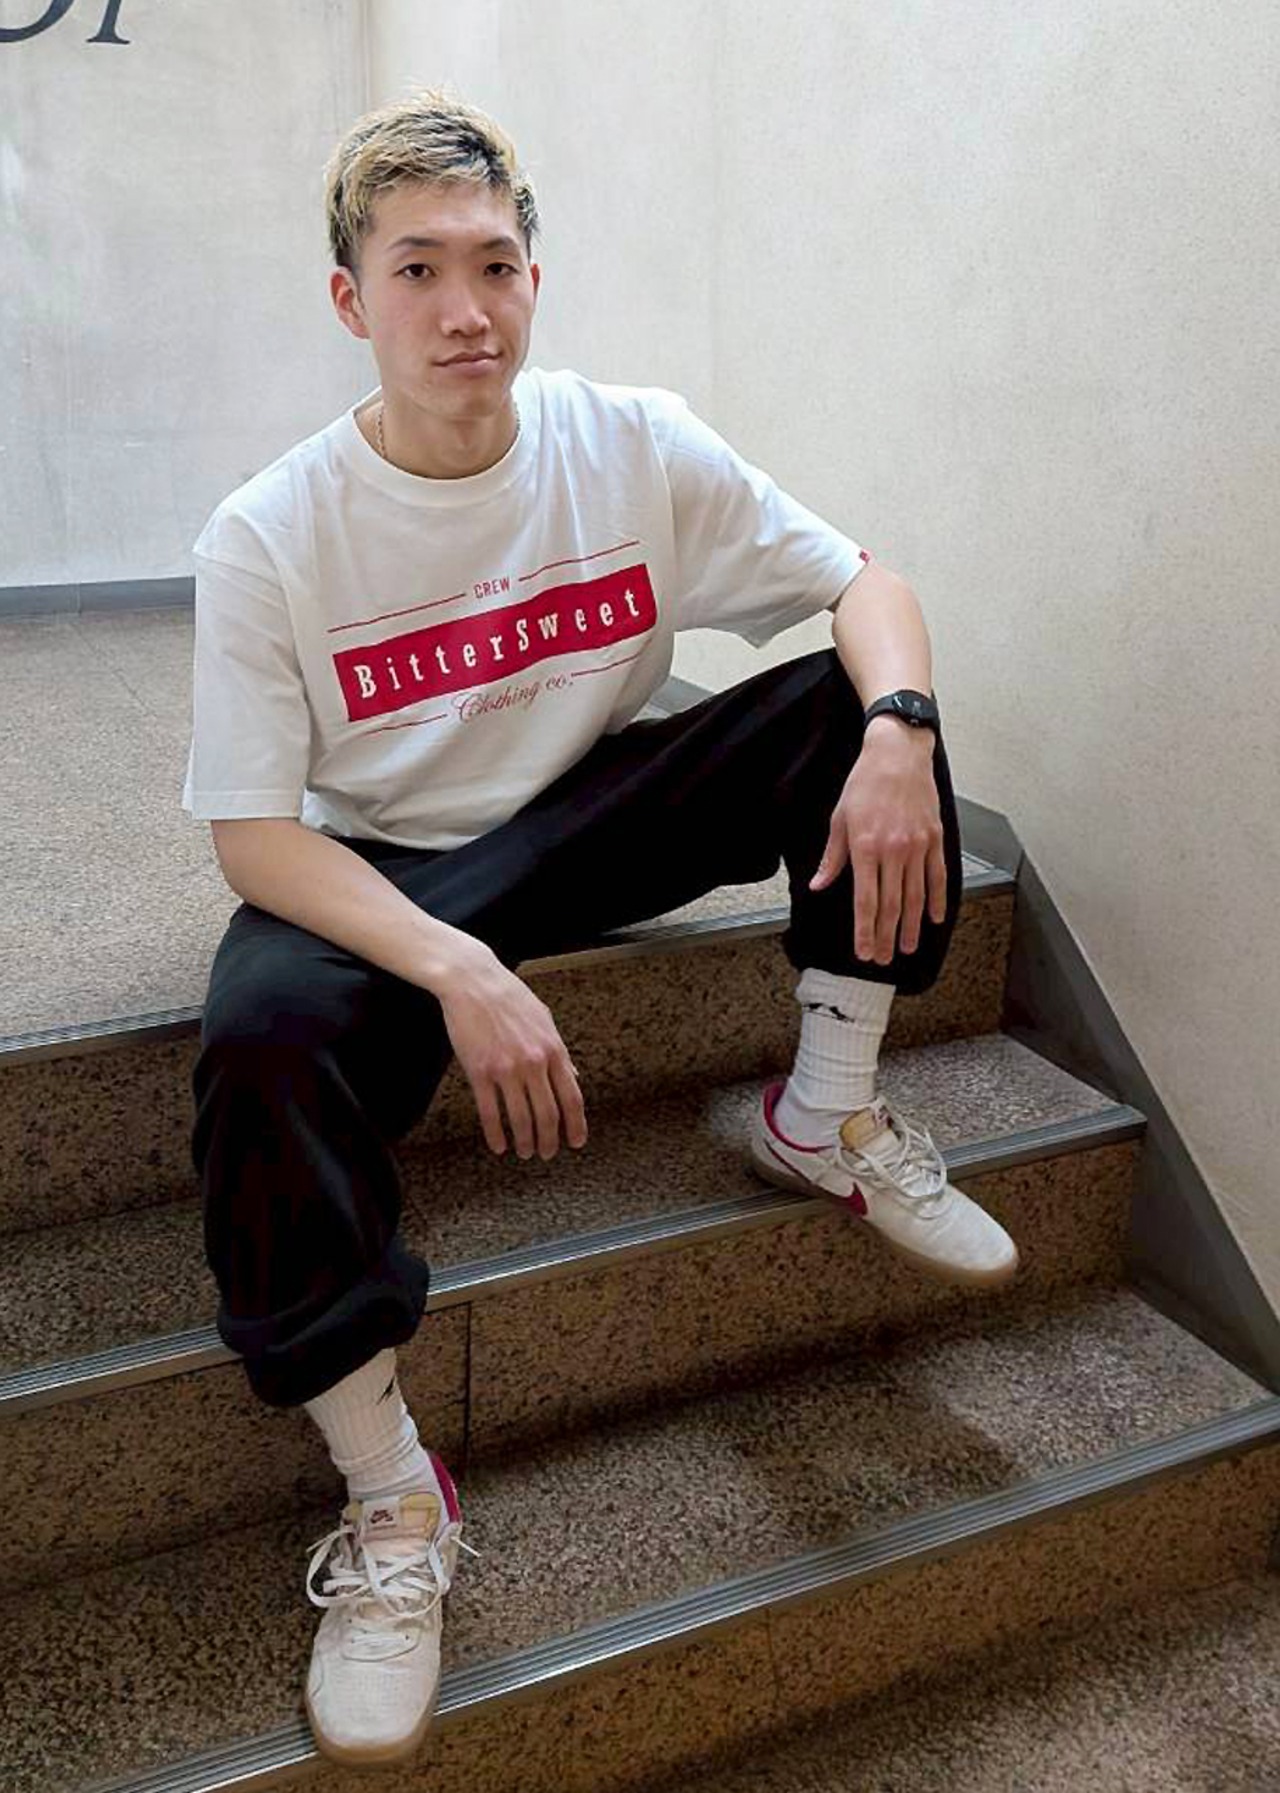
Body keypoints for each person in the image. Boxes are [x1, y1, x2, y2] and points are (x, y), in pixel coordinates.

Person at [182, 87, 1019, 1769]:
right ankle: (394, 1496)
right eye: (417, 269)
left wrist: (902, 726)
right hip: (396, 868)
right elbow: (253, 836)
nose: (464, 308)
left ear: (534, 280)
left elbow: (864, 580)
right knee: (259, 1038)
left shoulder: (628, 441)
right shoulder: (270, 532)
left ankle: (825, 1108)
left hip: (590, 805)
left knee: (852, 715)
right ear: (351, 299)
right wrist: (453, 964)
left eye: (494, 263)